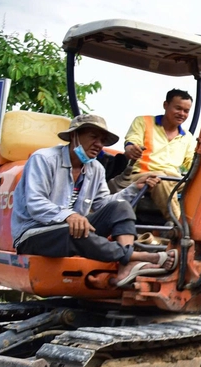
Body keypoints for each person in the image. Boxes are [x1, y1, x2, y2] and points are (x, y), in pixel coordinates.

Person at [11, 114, 175, 287]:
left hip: (73, 227)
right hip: (34, 233)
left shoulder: (95, 167)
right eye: (93, 137)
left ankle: (126, 266)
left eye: (102, 140)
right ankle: (136, 256)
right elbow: (35, 203)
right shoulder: (44, 159)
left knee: (120, 207)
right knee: (75, 231)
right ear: (74, 136)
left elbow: (103, 204)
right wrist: (69, 216)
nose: (99, 144)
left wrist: (134, 188)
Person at [114, 89, 196, 220]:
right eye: (178, 108)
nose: (182, 114)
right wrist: (131, 149)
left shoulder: (188, 137)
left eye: (186, 111)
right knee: (160, 179)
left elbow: (192, 162)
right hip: (142, 175)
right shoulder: (143, 122)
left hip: (173, 179)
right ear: (165, 105)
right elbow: (132, 142)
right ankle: (179, 225)